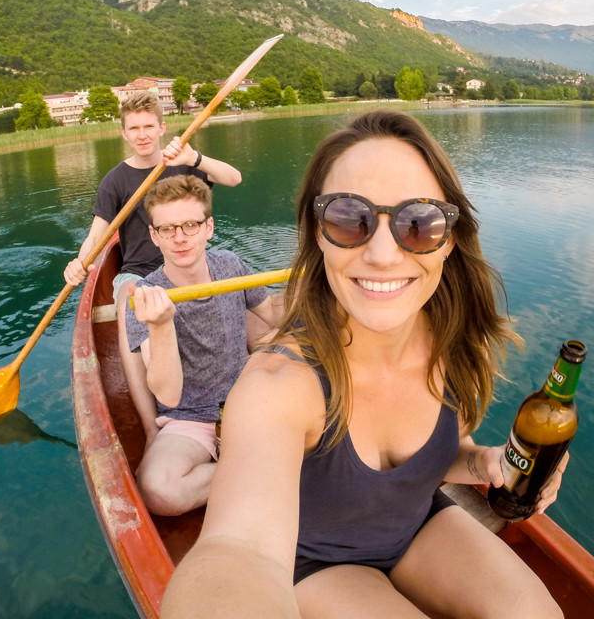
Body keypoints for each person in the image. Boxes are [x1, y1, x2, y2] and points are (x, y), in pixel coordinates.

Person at [162, 110, 566, 618]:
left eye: (418, 223)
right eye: (348, 218)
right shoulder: (278, 384)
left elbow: (435, 458)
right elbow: (238, 551)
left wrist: (482, 463)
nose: (381, 254)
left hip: (416, 523)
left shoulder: (457, 345)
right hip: (318, 564)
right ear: (317, 232)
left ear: (451, 239)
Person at [64, 91, 243, 443]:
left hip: (189, 261)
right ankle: (150, 426)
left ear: (162, 127)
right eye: (134, 128)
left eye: (148, 126)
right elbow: (97, 235)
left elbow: (234, 178)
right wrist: (79, 263)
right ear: (124, 134)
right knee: (129, 301)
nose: (142, 134)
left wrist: (197, 158)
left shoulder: (183, 161)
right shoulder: (114, 182)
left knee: (232, 277)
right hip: (141, 270)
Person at [126, 174, 280, 516]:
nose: (180, 238)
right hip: (189, 419)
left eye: (190, 225)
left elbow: (271, 312)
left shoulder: (229, 265)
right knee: (160, 490)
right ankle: (266, 470)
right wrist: (161, 325)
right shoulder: (145, 299)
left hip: (248, 399)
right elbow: (167, 394)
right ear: (154, 235)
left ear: (209, 227)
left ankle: (255, 466)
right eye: (167, 229)